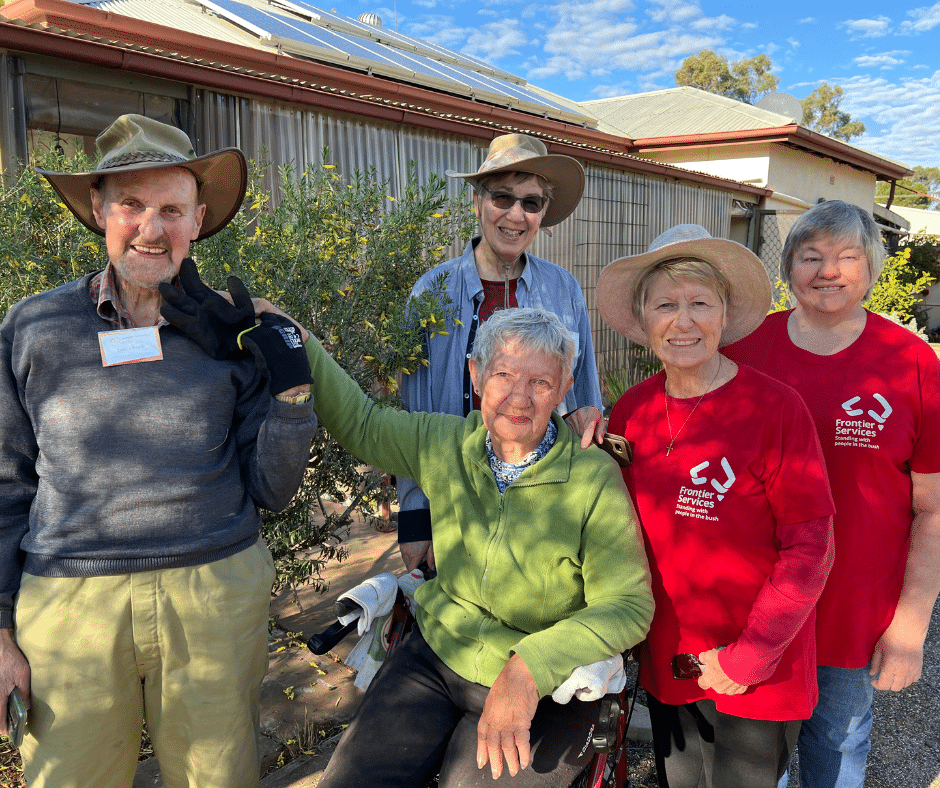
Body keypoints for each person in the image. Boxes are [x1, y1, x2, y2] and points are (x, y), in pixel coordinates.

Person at [175, 301, 650, 786]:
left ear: (565, 389)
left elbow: (629, 605)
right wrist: (294, 334)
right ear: (476, 374)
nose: (519, 398)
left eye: (541, 382)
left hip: (546, 683)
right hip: (440, 655)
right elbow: (362, 423)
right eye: (504, 374)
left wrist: (529, 668)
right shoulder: (444, 443)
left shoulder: (592, 478)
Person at [0, 114, 317, 788]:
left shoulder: (234, 328)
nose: (151, 227)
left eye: (171, 208)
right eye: (131, 204)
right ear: (98, 210)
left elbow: (272, 490)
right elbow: (5, 486)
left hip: (213, 594)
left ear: (198, 219)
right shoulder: (34, 327)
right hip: (69, 605)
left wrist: (290, 385)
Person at [594, 225, 836, 788]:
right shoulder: (630, 411)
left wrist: (751, 654)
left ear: (724, 313)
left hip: (757, 664)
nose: (683, 321)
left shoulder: (776, 408)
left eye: (700, 303)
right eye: (666, 305)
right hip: (670, 660)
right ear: (643, 320)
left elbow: (811, 548)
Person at [722, 200, 940, 788]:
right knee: (749, 751)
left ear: (871, 268)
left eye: (846, 257)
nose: (828, 271)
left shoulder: (911, 363)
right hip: (756, 600)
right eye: (812, 256)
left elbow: (934, 510)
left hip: (854, 605)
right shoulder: (746, 351)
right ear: (789, 267)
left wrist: (910, 629)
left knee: (835, 744)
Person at [397, 133, 603, 572]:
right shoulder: (431, 292)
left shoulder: (563, 289)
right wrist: (416, 519)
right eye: (503, 197)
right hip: (454, 504)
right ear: (477, 202)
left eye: (531, 203)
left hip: (545, 509)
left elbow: (584, 400)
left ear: (543, 214)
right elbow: (412, 418)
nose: (516, 215)